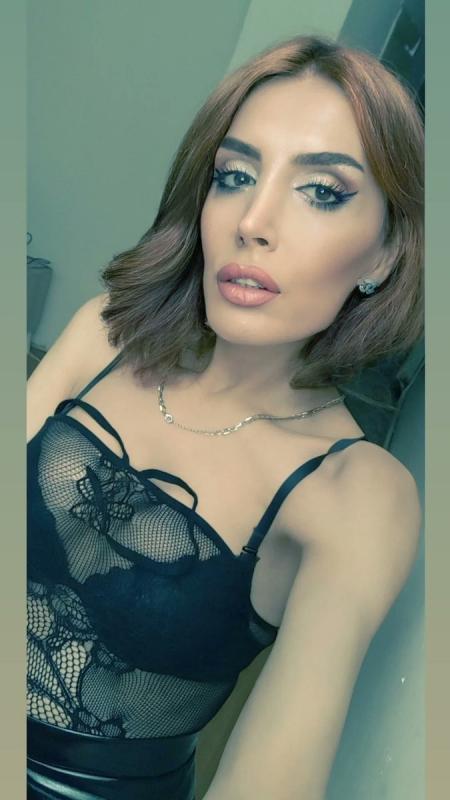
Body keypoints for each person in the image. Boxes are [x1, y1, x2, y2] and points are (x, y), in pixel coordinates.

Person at [27, 33, 423, 800]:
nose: (254, 220)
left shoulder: (356, 494)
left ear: (383, 256)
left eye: (322, 191)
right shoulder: (107, 333)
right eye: (235, 176)